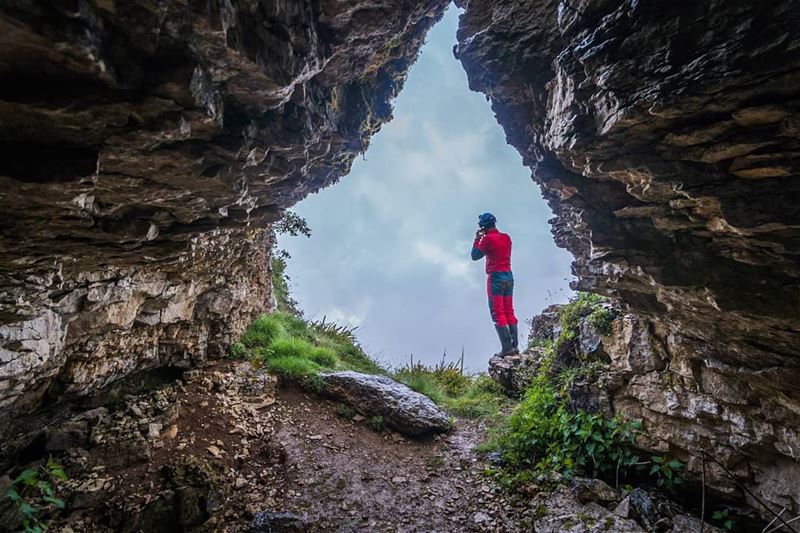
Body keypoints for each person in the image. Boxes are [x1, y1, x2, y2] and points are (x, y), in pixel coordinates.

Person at [471, 213, 519, 357]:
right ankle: (515, 346)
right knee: (509, 310)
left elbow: (475, 255)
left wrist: (477, 239)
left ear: (482, 227)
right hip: (509, 275)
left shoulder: (487, 240)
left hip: (496, 278)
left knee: (498, 313)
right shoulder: (506, 237)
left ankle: (506, 348)